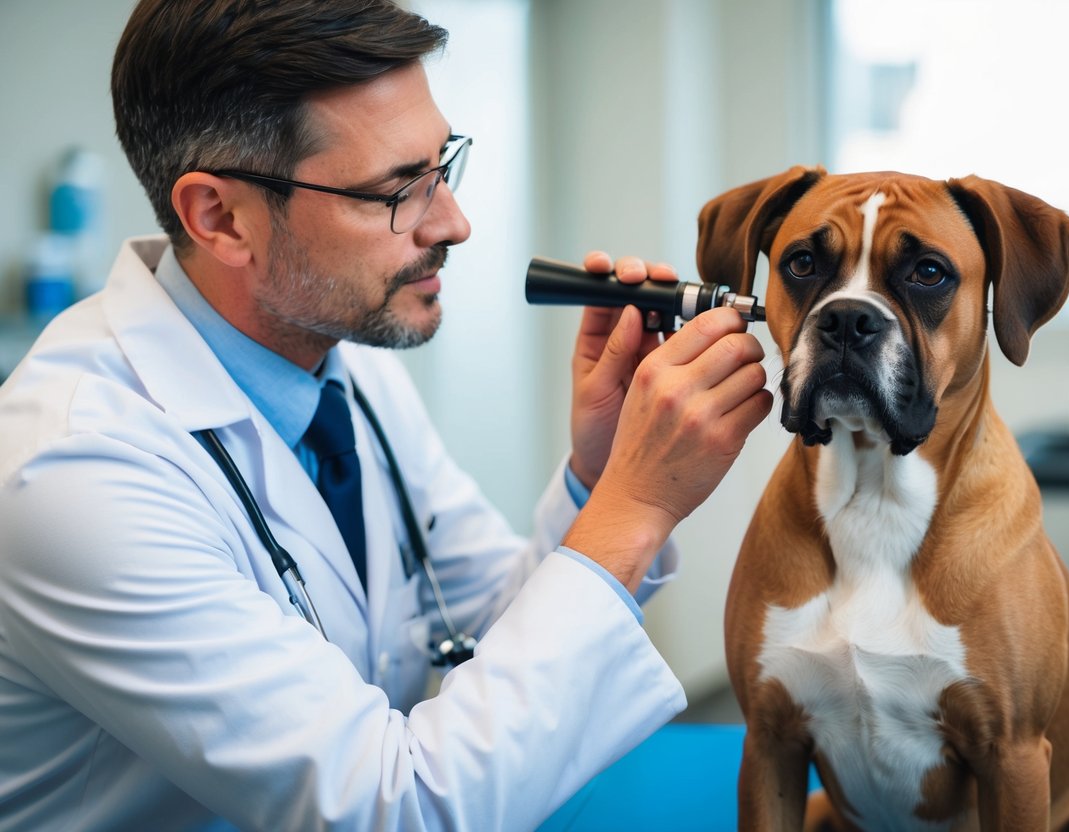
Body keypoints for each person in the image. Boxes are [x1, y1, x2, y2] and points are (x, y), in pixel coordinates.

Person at [0, 1, 772, 829]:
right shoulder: (74, 475)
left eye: (441, 166)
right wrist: (638, 504)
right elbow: (391, 810)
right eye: (396, 190)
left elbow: (492, 620)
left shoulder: (337, 366)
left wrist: (597, 476)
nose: (453, 222)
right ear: (220, 218)